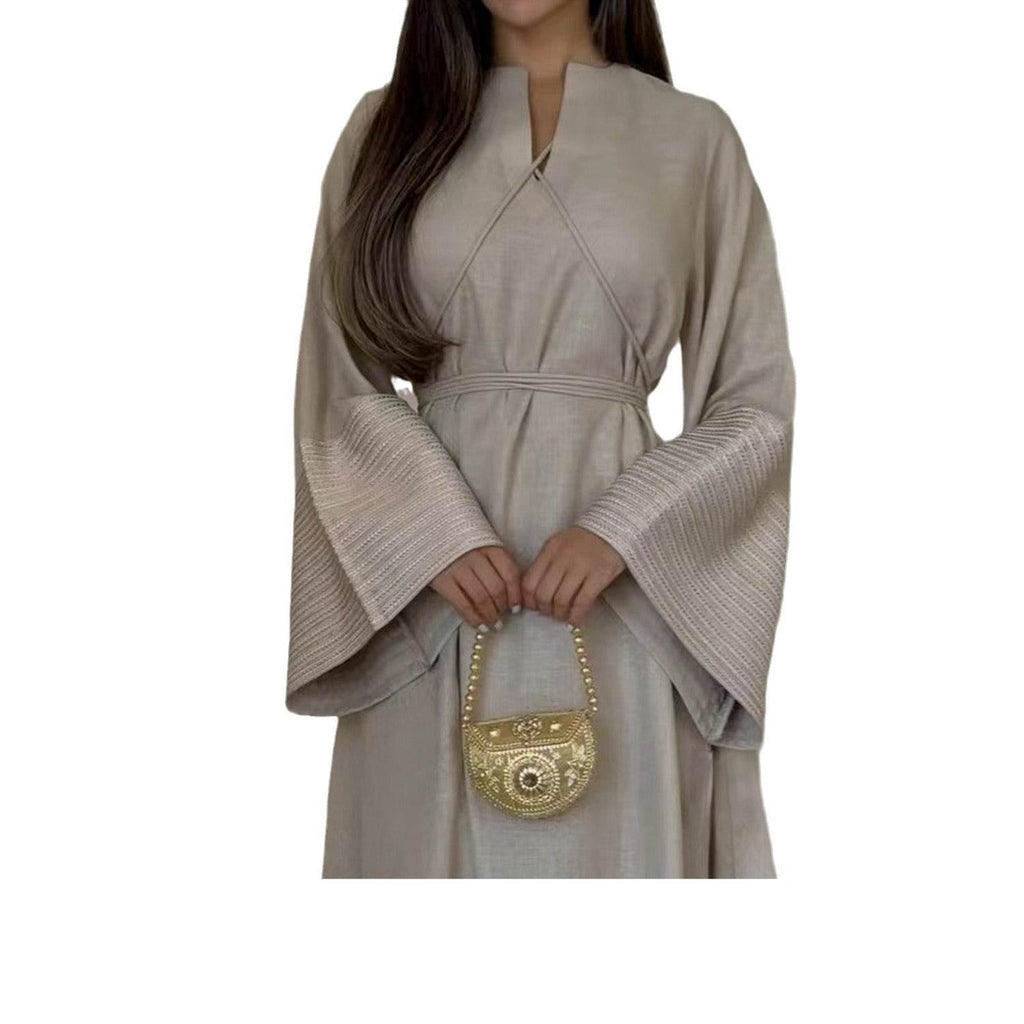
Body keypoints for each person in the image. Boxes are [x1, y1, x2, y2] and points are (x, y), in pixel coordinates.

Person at [285, 0, 796, 877]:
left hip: (632, 603)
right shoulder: (385, 128)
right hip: (428, 608)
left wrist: (626, 527)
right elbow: (334, 385)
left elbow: (755, 406)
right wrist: (427, 531)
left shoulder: (695, 138)